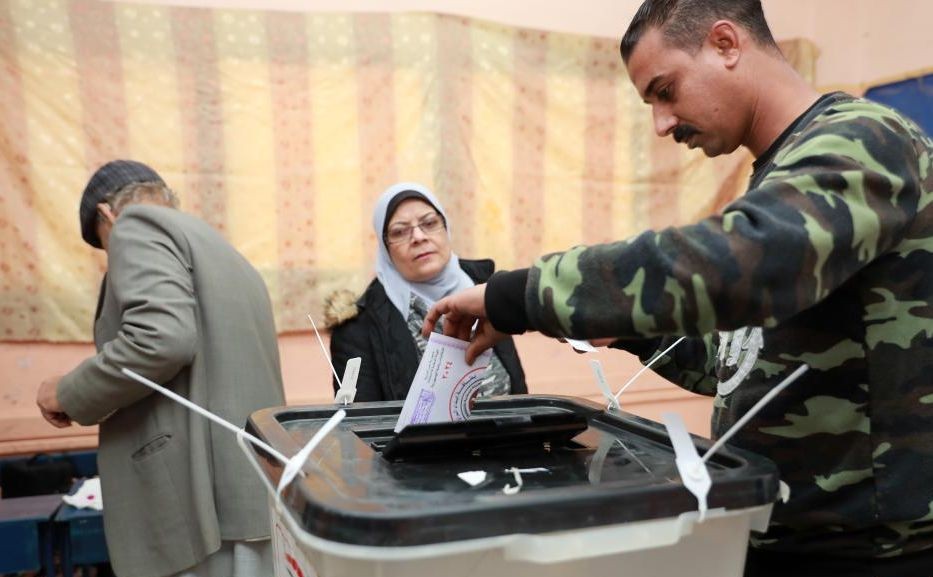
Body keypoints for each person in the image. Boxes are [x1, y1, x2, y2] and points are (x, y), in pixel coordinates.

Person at [422, 1, 933, 576]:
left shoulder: (865, 139)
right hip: (775, 529)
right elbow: (737, 365)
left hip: (868, 550)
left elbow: (742, 262)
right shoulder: (779, 174)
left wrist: (515, 296)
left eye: (665, 91)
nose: (662, 124)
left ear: (725, 43)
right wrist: (623, 328)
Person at [36, 160, 286, 577]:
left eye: (105, 245)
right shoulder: (222, 251)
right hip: (247, 493)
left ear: (106, 215)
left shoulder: (135, 227)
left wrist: (66, 392)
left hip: (195, 505)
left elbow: (160, 339)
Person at [326, 182, 526, 401]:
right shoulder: (358, 328)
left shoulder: (485, 287)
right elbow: (362, 424)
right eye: (399, 231)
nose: (419, 237)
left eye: (429, 223)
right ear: (385, 248)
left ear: (446, 227)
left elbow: (520, 392)